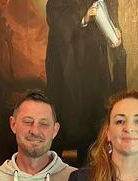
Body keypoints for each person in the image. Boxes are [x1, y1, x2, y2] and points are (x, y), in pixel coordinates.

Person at [46, 0, 126, 166]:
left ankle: (89, 175)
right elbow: (56, 20)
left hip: (96, 68)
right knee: (65, 124)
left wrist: (115, 35)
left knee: (94, 127)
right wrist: (83, 18)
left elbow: (111, 21)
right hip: (69, 69)